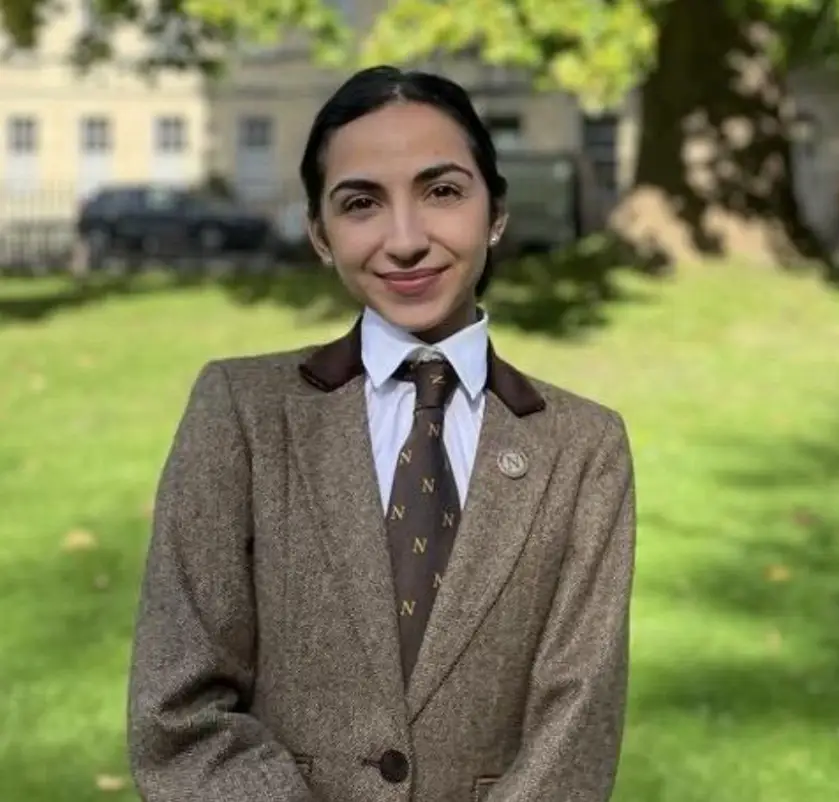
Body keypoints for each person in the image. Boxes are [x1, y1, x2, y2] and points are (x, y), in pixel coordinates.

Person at [127, 65, 637, 802]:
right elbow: (177, 712)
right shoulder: (239, 412)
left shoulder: (584, 449)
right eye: (361, 202)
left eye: (441, 192)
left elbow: (576, 724)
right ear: (320, 234)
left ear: (494, 211)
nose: (405, 240)